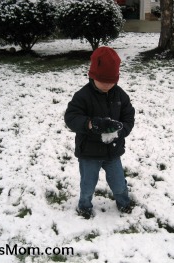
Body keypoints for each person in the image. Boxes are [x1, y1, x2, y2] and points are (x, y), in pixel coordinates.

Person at [64, 46, 135, 219]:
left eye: (111, 81)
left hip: (113, 151)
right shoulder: (83, 96)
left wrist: (120, 131)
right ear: (92, 75)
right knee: (88, 185)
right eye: (103, 80)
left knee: (119, 184)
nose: (107, 84)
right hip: (89, 152)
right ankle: (84, 206)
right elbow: (71, 117)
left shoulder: (120, 96)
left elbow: (129, 117)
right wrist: (90, 124)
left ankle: (124, 202)